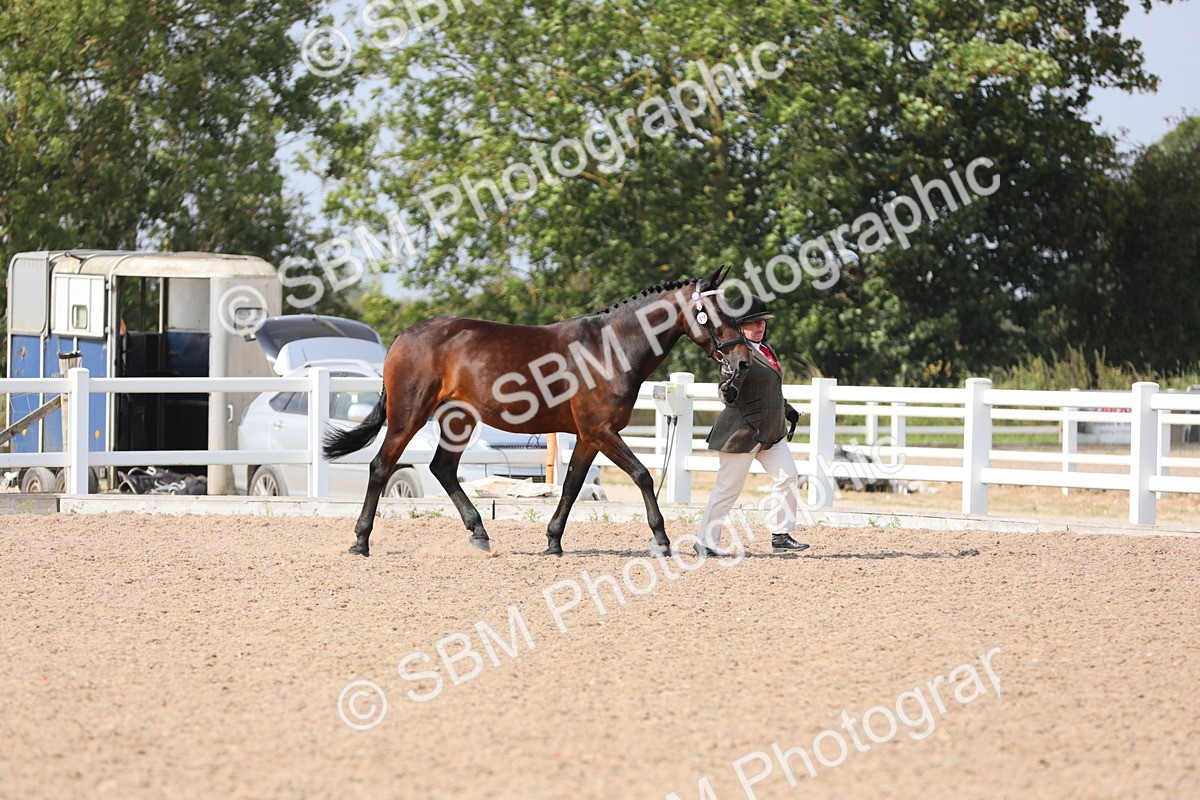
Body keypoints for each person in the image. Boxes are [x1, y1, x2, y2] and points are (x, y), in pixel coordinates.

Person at [695, 294, 809, 555]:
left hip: (770, 431)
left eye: (762, 323)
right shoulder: (736, 351)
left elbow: (769, 386)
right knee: (728, 489)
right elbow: (725, 388)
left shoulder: (767, 350)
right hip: (741, 431)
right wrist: (728, 391)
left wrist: (786, 408)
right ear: (738, 326)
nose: (759, 327)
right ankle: (705, 541)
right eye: (753, 324)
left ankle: (780, 535)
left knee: (788, 476)